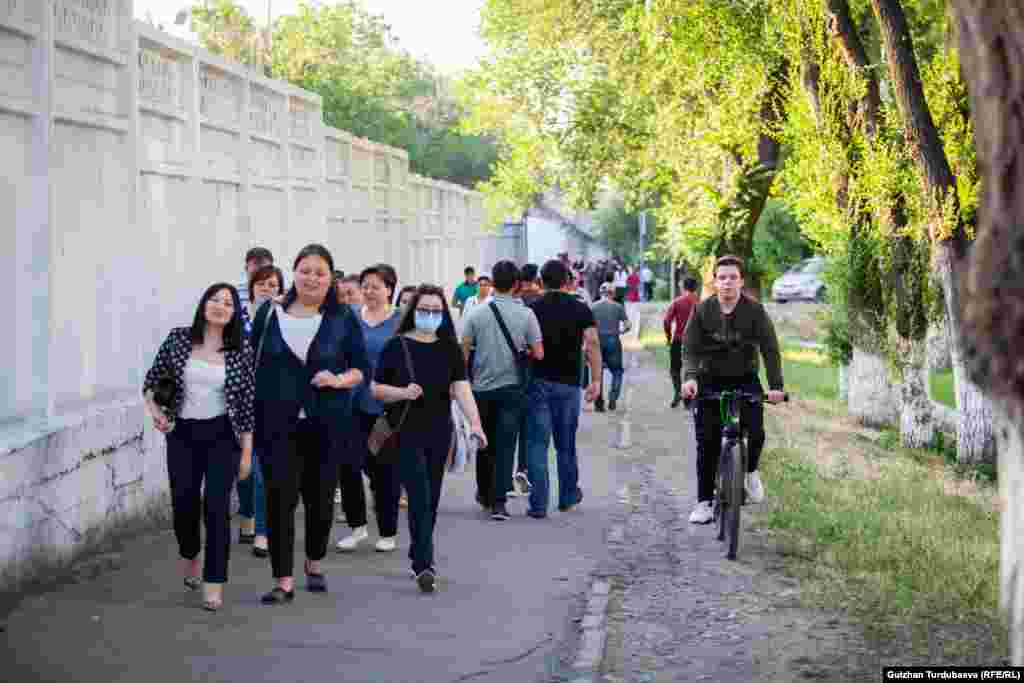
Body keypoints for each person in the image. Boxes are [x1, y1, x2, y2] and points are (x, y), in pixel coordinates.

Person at [251, 244, 369, 604]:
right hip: (276, 424)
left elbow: (362, 368)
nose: (312, 278)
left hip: (327, 423)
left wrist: (338, 380)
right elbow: (249, 366)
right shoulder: (269, 315)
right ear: (294, 272)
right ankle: (282, 579)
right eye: (305, 270)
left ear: (330, 277)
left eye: (320, 272)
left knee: (319, 500)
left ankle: (314, 562)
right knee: (278, 499)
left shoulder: (343, 318)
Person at [143, 283, 255, 611]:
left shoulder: (241, 350)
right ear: (203, 304)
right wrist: (156, 414)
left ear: (235, 313)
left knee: (217, 509)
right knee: (184, 504)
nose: (220, 306)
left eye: (228, 303)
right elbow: (152, 382)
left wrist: (247, 453)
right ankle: (190, 552)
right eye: (214, 300)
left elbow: (247, 406)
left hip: (223, 435)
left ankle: (214, 581)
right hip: (182, 434)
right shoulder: (179, 339)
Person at [372, 285, 487, 592]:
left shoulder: (449, 348)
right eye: (424, 310)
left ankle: (418, 550)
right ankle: (425, 564)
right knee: (420, 495)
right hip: (404, 430)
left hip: (439, 431)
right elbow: (376, 388)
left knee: (431, 497)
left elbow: (461, 388)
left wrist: (476, 423)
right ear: (413, 312)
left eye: (437, 311)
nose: (430, 316)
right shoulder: (395, 346)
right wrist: (402, 393)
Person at [680, 255, 785, 524]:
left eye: (733, 277)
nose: (727, 282)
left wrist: (775, 387)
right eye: (722, 277)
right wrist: (690, 378)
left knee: (757, 432)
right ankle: (704, 502)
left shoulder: (755, 311)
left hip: (744, 379)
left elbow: (770, 350)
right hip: (709, 381)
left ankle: (750, 471)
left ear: (741, 281)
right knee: (707, 443)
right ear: (714, 282)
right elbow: (690, 348)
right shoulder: (702, 311)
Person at [462, 260, 544, 520]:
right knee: (506, 444)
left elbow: (463, 351)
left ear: (492, 283)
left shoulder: (475, 314)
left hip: (481, 388)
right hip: (512, 388)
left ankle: (484, 493)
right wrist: (524, 351)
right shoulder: (527, 315)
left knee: (483, 441)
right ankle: (499, 502)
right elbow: (539, 353)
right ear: (517, 285)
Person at [524, 260, 601, 518]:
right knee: (565, 444)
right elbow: (592, 343)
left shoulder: (531, 308)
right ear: (568, 281)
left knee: (537, 444)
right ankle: (567, 496)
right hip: (569, 384)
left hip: (538, 382)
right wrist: (596, 380)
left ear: (541, 282)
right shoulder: (581, 309)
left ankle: (538, 504)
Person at [336, 264, 404, 553]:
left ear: (390, 289)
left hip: (387, 408)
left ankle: (388, 531)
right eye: (365, 286)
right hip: (352, 404)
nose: (370, 291)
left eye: (377, 286)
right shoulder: (350, 317)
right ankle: (357, 527)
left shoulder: (401, 320)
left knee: (383, 471)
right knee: (348, 466)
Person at [238, 265, 285, 558]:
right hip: (236, 401)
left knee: (259, 471)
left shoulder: (282, 318)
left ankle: (263, 532)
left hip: (269, 403)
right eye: (262, 284)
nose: (267, 289)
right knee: (241, 470)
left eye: (273, 284)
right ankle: (247, 517)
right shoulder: (236, 316)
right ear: (252, 286)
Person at [591, 283, 631, 412]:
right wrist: (621, 332)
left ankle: (599, 401)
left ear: (600, 293)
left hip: (597, 341)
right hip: (613, 340)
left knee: (598, 372)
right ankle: (613, 398)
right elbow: (628, 325)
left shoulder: (593, 306)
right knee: (617, 371)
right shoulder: (618, 307)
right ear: (612, 293)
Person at [664, 277, 700, 408]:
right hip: (697, 342)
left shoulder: (677, 302)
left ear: (683, 287)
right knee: (692, 369)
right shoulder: (701, 303)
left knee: (675, 369)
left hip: (679, 340)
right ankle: (689, 398)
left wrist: (668, 337)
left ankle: (678, 392)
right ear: (696, 288)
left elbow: (667, 321)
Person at [238, 247, 274, 320]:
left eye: (264, 268)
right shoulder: (234, 293)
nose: (260, 271)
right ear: (246, 268)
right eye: (256, 264)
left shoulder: (280, 293)